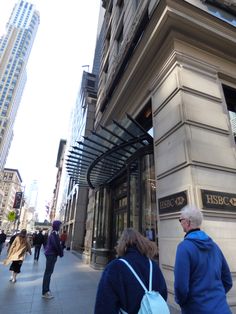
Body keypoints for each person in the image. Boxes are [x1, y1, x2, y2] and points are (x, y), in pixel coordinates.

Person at [174, 205, 233, 314]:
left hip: (196, 309)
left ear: (187, 222)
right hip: (222, 309)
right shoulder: (214, 246)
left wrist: (184, 303)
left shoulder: (184, 247)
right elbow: (228, 281)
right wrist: (216, 298)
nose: (180, 223)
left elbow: (180, 288)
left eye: (180, 220)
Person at [94, 228, 168, 314]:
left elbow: (104, 306)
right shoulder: (153, 265)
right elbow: (163, 294)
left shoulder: (115, 268)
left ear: (123, 245)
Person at [42, 220, 63, 299]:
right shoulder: (54, 234)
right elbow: (55, 245)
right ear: (57, 226)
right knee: (48, 273)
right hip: (51, 255)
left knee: (49, 273)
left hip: (52, 255)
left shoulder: (55, 233)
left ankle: (46, 290)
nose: (60, 227)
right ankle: (45, 292)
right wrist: (60, 253)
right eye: (60, 226)